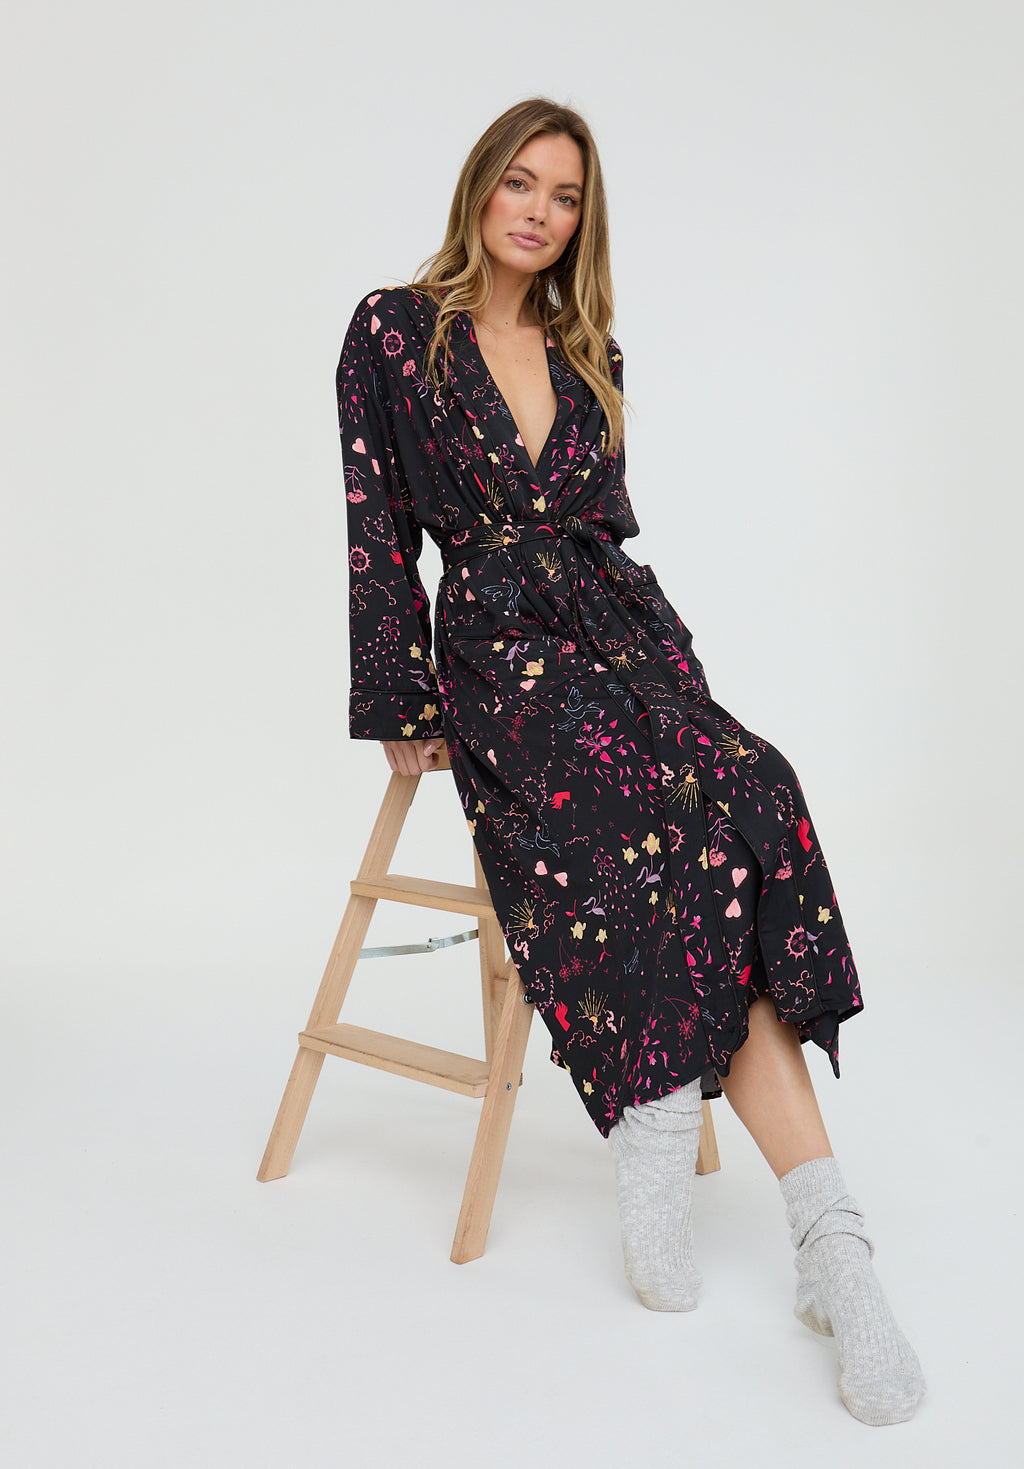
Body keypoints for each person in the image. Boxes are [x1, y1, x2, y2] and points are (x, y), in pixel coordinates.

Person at [337, 96, 925, 1427]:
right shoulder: (393, 330)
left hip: (620, 630)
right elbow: (377, 527)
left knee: (755, 793)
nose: (539, 213)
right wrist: (399, 694)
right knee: (661, 816)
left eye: (566, 198)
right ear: (480, 186)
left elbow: (603, 528)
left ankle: (831, 1246)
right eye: (521, 183)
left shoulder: (588, 347)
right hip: (497, 647)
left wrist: (657, 674)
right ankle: (663, 1114)